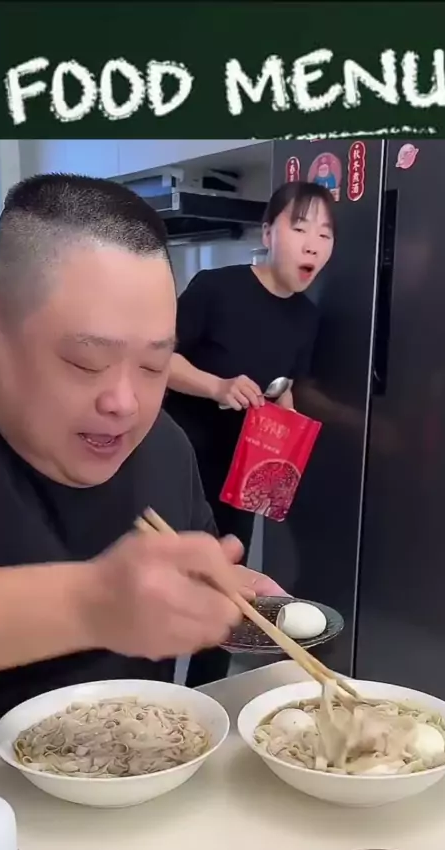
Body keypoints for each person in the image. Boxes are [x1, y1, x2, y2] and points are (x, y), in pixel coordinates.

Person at [0, 173, 283, 736]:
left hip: (134, 771)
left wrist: (221, 592)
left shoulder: (165, 445)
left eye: (153, 366)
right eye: (86, 362)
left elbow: (191, 571)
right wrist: (88, 605)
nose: (124, 403)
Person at [164, 181, 336, 686]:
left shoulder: (306, 318)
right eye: (300, 228)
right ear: (268, 233)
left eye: (325, 234)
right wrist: (217, 385)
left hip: (241, 477)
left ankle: (207, 695)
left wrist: (287, 446)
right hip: (182, 463)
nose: (312, 245)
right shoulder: (215, 288)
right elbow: (158, 360)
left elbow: (286, 389)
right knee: (169, 588)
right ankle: (148, 692)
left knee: (228, 598)